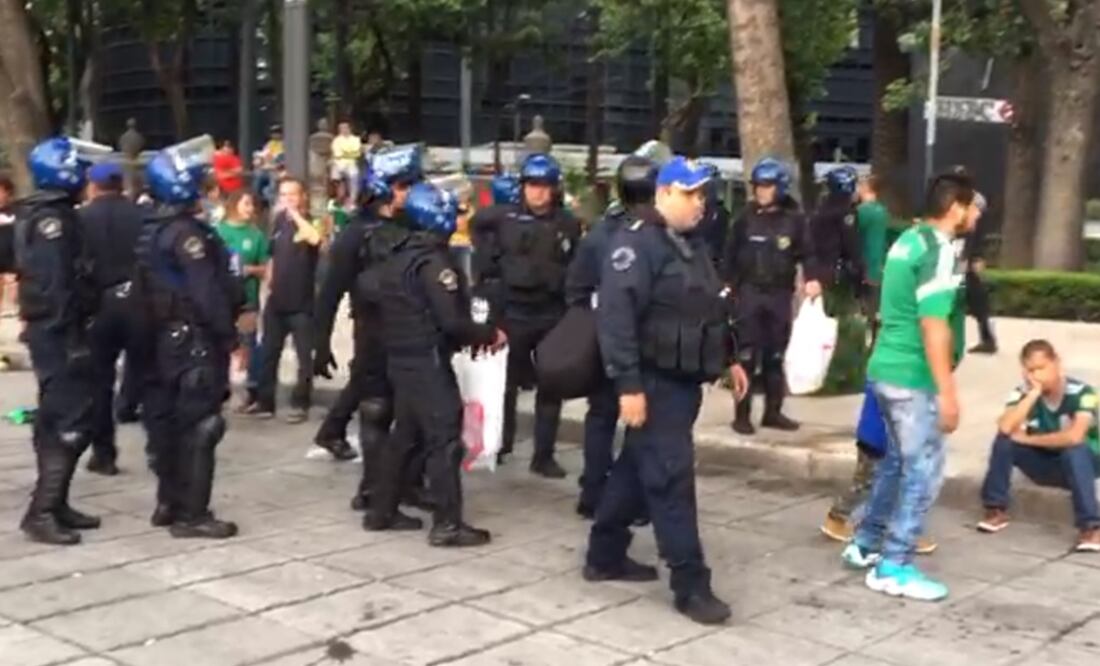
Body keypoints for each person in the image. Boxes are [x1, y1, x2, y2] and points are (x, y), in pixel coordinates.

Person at [585, 156, 749, 625]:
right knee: (672, 480)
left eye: (703, 194)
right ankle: (690, 584)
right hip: (654, 382)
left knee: (638, 468)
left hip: (682, 381)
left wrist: (729, 358)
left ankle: (604, 554)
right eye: (691, 194)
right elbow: (615, 319)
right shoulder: (636, 245)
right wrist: (629, 386)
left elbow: (708, 307)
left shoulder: (689, 244)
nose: (701, 203)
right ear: (664, 194)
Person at [841, 171, 980, 602]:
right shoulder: (940, 250)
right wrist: (947, 392)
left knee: (897, 462)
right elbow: (933, 323)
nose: (976, 214)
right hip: (912, 377)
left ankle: (866, 543)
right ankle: (895, 564)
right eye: (973, 206)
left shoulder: (909, 240)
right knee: (924, 470)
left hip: (884, 368)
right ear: (955, 207)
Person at [359, 182, 505, 545]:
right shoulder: (435, 264)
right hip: (427, 360)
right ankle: (448, 523)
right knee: (444, 440)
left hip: (401, 359)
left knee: (406, 436)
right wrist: (487, 334)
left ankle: (382, 510)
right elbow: (451, 321)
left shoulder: (397, 256)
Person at [135, 139, 242, 538]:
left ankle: (169, 501)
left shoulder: (150, 229)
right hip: (192, 341)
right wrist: (228, 335)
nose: (206, 190)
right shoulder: (187, 235)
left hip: (159, 341)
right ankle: (192, 513)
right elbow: (206, 292)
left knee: (166, 425)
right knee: (202, 425)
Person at [314, 146, 426, 489]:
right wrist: (320, 344)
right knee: (376, 409)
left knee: (413, 415)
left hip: (411, 336)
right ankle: (373, 491)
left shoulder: (414, 223)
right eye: (403, 186)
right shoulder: (356, 234)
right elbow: (331, 291)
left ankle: (405, 485)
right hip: (374, 334)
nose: (410, 192)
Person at [471, 153, 582, 478]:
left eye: (544, 186)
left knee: (551, 383)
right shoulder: (502, 219)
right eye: (532, 185)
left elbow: (575, 265)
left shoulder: (567, 224)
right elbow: (477, 229)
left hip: (550, 312)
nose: (538, 192)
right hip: (513, 312)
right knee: (505, 384)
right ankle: (500, 443)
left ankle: (543, 454)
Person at [15, 137, 103, 545]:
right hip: (57, 331)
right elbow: (56, 286)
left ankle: (58, 502)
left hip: (53, 329)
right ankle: (42, 510)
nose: (87, 177)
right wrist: (70, 335)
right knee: (69, 420)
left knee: (63, 415)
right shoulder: (53, 221)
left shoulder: (47, 212)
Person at [565, 155, 658, 518]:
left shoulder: (602, 233)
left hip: (607, 341)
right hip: (645, 346)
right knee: (640, 424)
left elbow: (575, 288)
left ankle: (593, 491)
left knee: (601, 418)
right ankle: (628, 498)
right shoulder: (658, 234)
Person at [724, 158, 821, 435]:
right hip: (749, 294)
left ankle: (773, 412)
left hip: (779, 294)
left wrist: (813, 278)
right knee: (746, 356)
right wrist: (726, 284)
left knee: (775, 356)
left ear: (780, 187)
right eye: (758, 186)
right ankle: (741, 416)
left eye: (767, 186)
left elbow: (808, 252)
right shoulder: (745, 218)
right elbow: (729, 253)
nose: (761, 192)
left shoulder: (795, 220)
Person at [977, 339, 1100, 551]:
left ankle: (1091, 527)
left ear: (1056, 363)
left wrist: (1028, 439)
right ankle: (995, 508)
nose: (1036, 375)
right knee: (1004, 440)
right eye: (1030, 370)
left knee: (1075, 450)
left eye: (1041, 368)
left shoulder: (1084, 393)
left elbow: (1074, 436)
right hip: (1044, 462)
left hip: (1085, 464)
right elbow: (1005, 427)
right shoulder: (1023, 392)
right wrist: (1033, 394)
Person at [81, 162, 146, 477]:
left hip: (100, 303)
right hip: (139, 299)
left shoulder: (82, 218)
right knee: (146, 370)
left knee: (98, 381)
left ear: (93, 186)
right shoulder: (140, 214)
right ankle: (159, 445)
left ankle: (103, 452)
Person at [249, 177, 323, 423]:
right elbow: (272, 255)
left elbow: (315, 239)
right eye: (283, 195)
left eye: (292, 194)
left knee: (303, 356)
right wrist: (268, 280)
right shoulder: (278, 222)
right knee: (269, 352)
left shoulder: (312, 220)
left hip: (301, 302)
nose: (287, 199)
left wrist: (296, 215)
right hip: (277, 299)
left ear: (302, 197)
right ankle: (265, 401)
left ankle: (300, 402)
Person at [215, 190, 270, 409]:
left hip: (247, 299)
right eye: (246, 203)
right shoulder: (219, 232)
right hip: (222, 300)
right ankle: (219, 388)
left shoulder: (256, 235)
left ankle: (254, 390)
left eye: (252, 205)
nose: (250, 209)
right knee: (221, 344)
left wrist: (250, 269)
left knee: (249, 344)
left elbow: (267, 267)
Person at [811, 166, 865, 308]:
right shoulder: (846, 212)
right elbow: (850, 243)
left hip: (819, 270)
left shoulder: (821, 209)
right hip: (838, 273)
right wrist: (859, 270)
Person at [856, 175, 890, 340]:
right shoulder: (882, 211)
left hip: (864, 266)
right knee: (875, 309)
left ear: (865, 189)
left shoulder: (861, 212)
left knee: (862, 309)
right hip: (879, 267)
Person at [964, 192, 997, 354]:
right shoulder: (969, 198)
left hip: (969, 259)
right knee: (978, 301)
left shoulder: (974, 200)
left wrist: (977, 256)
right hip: (967, 258)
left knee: (978, 300)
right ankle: (987, 339)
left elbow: (977, 234)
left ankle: (988, 339)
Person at [331, 121, 362, 204]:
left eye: (345, 128)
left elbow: (357, 153)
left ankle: (353, 200)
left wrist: (344, 153)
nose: (343, 130)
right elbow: (337, 154)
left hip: (352, 165)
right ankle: (339, 199)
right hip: (339, 165)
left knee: (354, 176)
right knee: (337, 176)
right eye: (341, 128)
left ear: (349, 128)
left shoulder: (356, 139)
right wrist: (349, 153)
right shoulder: (336, 140)